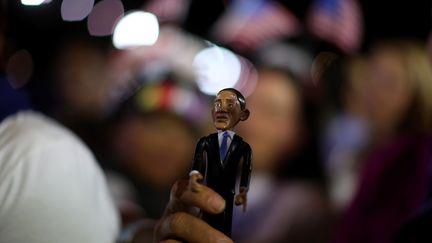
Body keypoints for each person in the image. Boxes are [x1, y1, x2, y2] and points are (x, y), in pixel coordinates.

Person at [189, 88, 252, 237]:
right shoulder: (205, 142)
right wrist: (194, 175)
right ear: (212, 113)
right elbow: (197, 161)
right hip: (205, 191)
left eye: (230, 104)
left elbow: (246, 169)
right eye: (218, 105)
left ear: (243, 115)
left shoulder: (243, 147)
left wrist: (243, 189)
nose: (222, 110)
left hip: (229, 196)